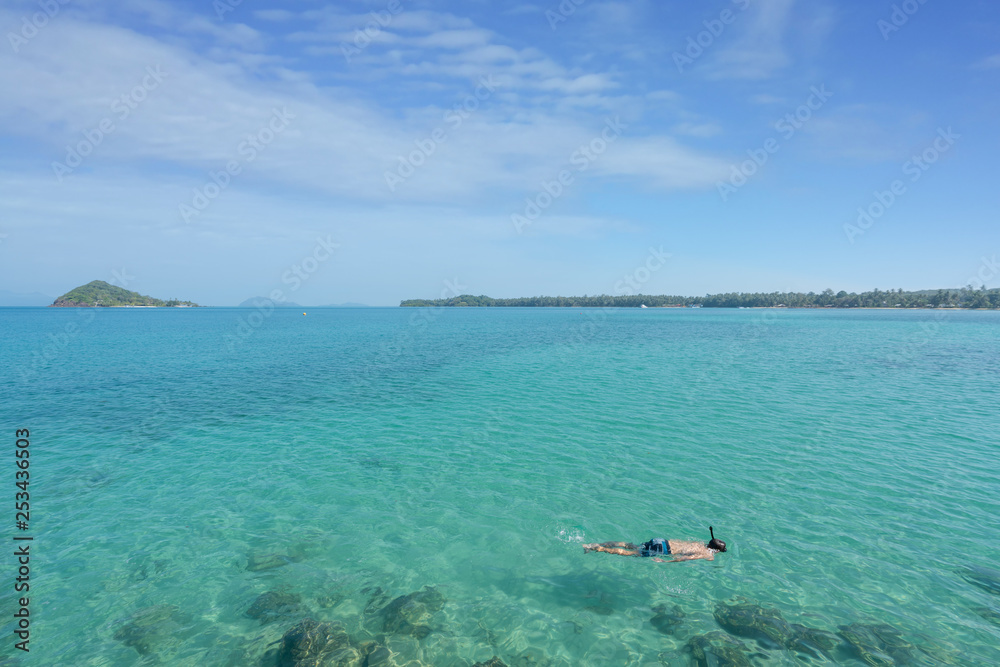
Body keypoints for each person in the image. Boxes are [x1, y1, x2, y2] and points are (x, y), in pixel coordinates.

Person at [583, 527, 727, 563]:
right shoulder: (706, 553)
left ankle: (597, 544)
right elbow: (684, 559)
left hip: (662, 541)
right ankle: (596, 548)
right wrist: (664, 561)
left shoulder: (698, 543)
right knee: (630, 553)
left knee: (630, 546)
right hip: (663, 549)